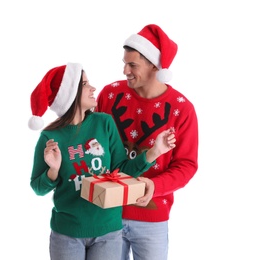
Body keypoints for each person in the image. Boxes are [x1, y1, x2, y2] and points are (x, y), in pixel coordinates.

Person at [27, 62, 176, 260]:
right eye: (85, 84)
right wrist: (53, 170)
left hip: (109, 231)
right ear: (69, 94)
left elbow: (122, 172)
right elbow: (38, 187)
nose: (92, 88)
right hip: (67, 233)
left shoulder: (104, 123)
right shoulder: (50, 137)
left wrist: (155, 151)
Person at [96, 24, 199, 260]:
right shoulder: (109, 95)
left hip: (152, 218)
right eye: (124, 63)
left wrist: (155, 186)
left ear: (154, 65)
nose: (125, 70)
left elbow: (187, 165)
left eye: (132, 65)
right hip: (106, 214)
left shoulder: (182, 108)